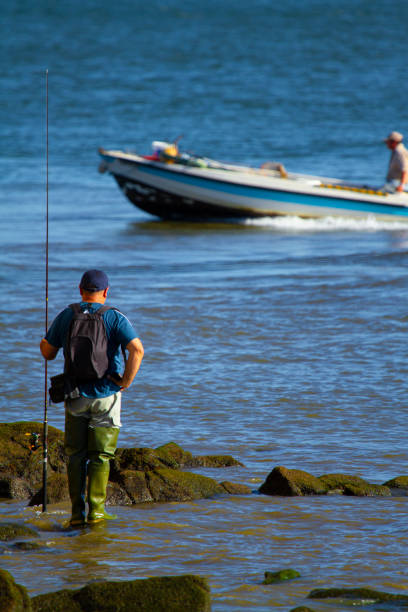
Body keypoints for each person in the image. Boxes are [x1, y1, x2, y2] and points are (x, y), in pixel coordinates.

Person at [40, 269, 144, 526]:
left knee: (75, 455)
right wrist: (125, 383)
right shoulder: (115, 317)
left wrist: (49, 340)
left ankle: (77, 515)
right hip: (106, 395)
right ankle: (96, 513)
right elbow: (137, 350)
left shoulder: (67, 314)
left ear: (80, 289)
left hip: (75, 396)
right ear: (106, 292)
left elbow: (47, 353)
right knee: (101, 456)